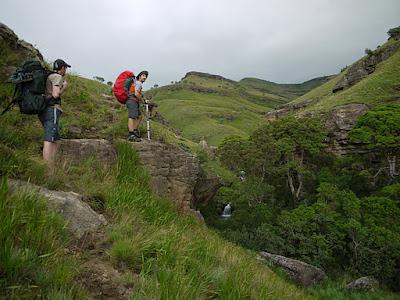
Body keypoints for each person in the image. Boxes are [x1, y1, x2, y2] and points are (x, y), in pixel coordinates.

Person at [39, 59, 70, 163]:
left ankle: (51, 163)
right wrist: (64, 87)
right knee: (49, 139)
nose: (65, 71)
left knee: (56, 140)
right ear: (62, 68)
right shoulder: (57, 77)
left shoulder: (48, 76)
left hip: (44, 109)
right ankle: (47, 168)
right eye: (65, 68)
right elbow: (55, 94)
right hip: (52, 109)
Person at [125, 70, 148, 141]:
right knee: (132, 117)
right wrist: (142, 100)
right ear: (139, 76)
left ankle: (134, 130)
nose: (145, 77)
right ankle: (131, 135)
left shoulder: (136, 83)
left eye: (146, 76)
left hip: (134, 101)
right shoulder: (138, 83)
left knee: (139, 116)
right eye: (143, 75)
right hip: (132, 101)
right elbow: (136, 94)